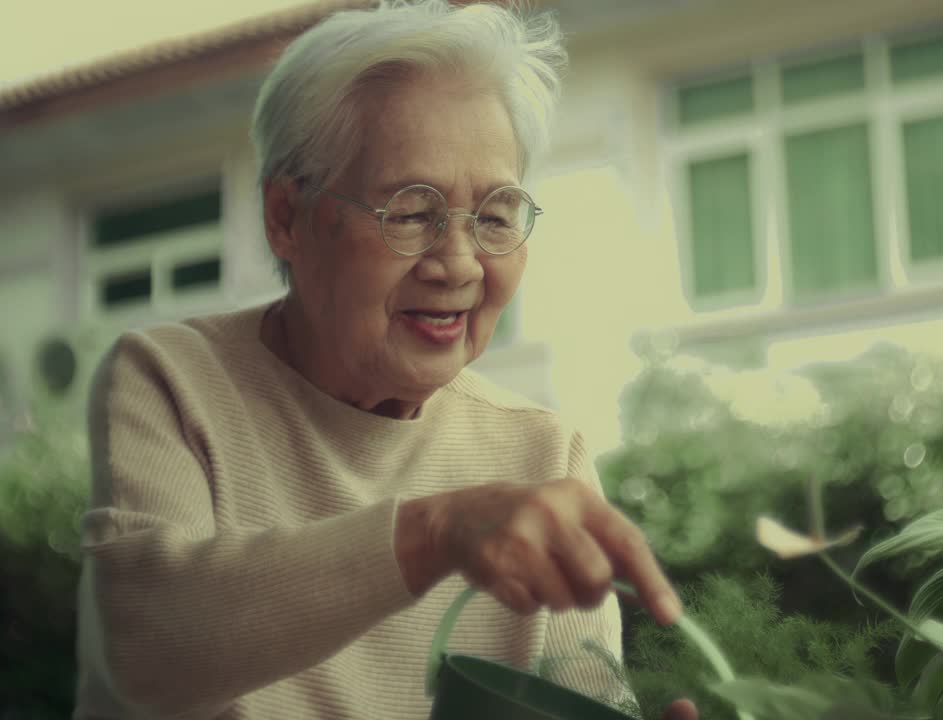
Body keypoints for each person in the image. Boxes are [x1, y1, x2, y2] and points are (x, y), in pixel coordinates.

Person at [74, 2, 699, 718]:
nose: (459, 264)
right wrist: (431, 534)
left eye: (495, 216)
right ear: (287, 217)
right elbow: (148, 650)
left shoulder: (543, 454)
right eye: (410, 211)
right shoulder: (171, 380)